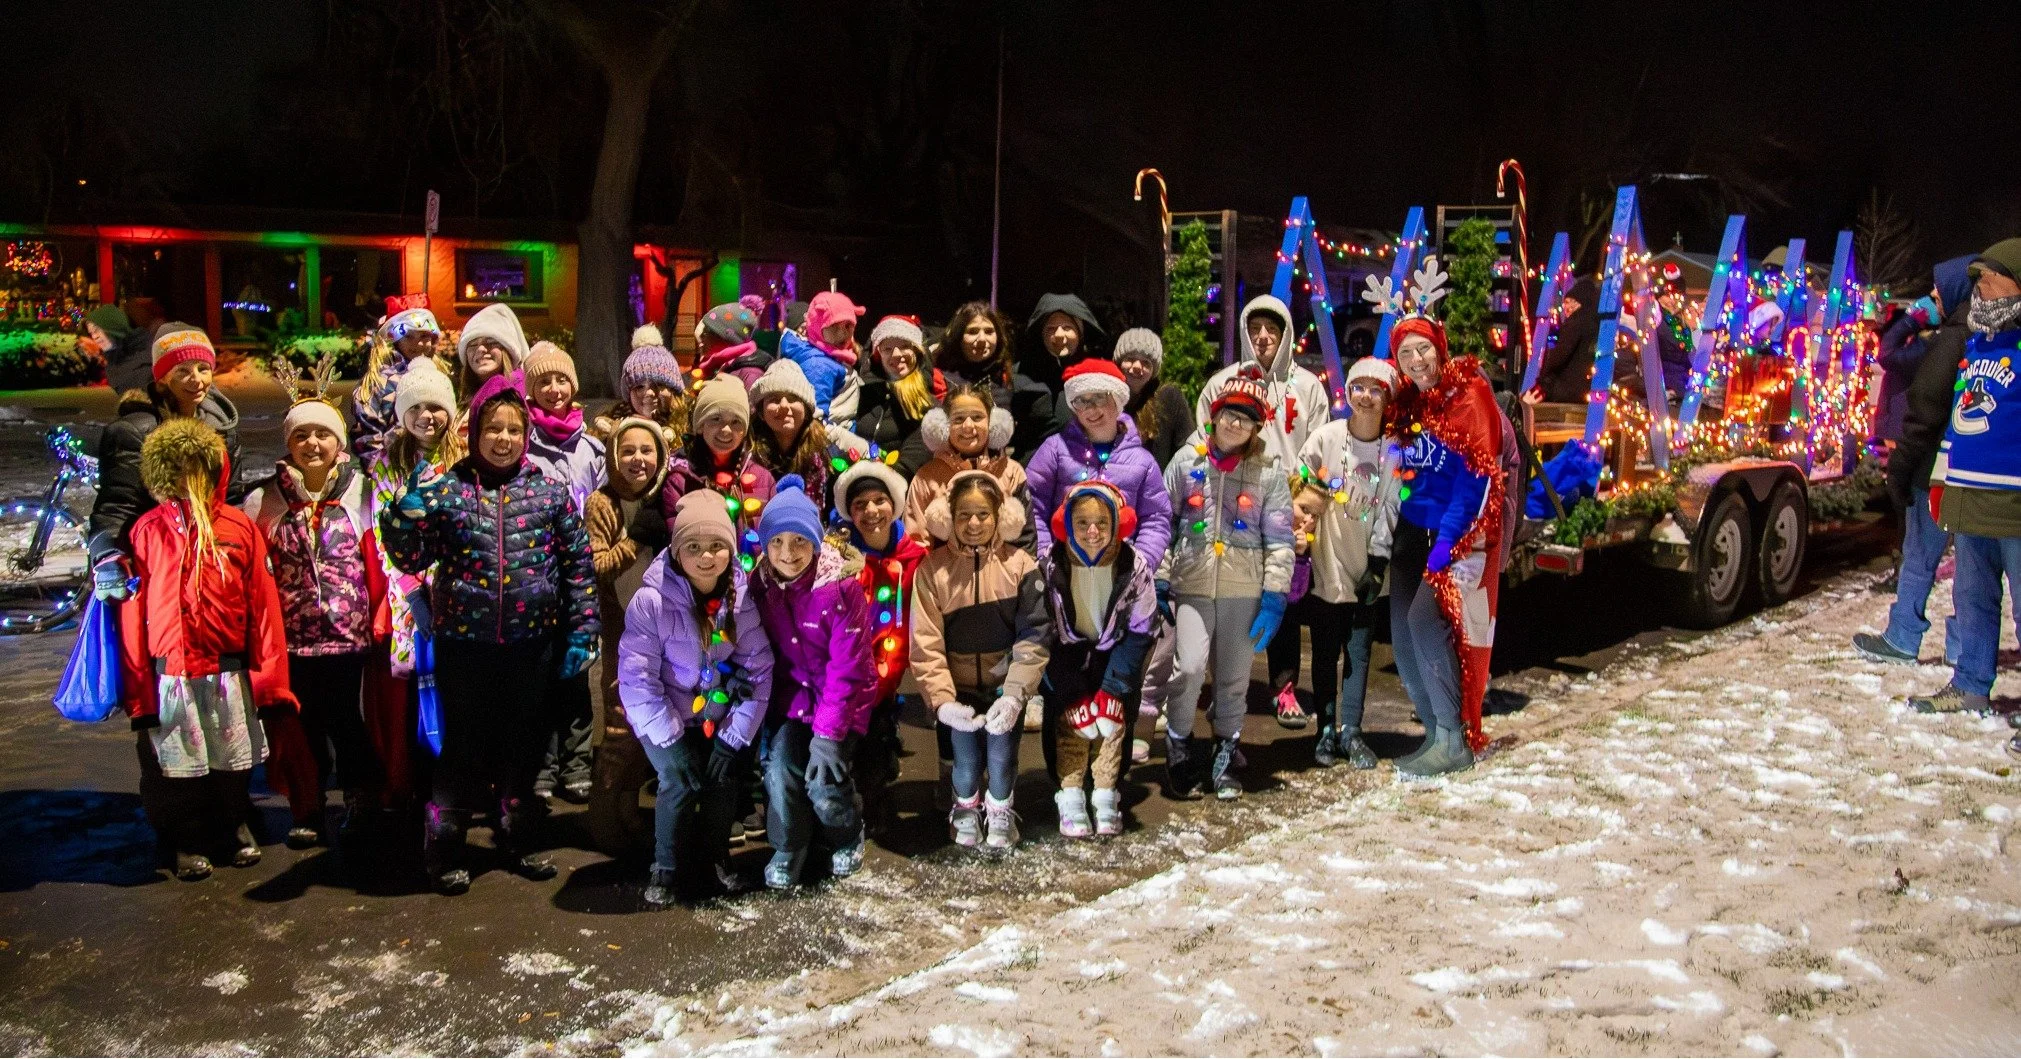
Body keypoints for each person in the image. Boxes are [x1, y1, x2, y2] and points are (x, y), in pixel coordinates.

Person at [380, 373, 598, 895]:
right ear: (474, 431)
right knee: (463, 749)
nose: (503, 439)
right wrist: (402, 517)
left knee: (524, 745)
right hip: (466, 645)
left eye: (514, 429)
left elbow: (577, 566)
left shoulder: (547, 492)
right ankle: (446, 847)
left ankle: (519, 838)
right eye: (493, 428)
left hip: (532, 644)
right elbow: (411, 557)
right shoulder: (450, 488)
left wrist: (582, 631)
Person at [119, 419, 297, 881]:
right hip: (170, 673)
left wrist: (270, 678)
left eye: (199, 467)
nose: (189, 479)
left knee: (228, 761)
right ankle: (182, 836)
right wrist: (138, 688)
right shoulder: (147, 531)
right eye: (177, 470)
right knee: (171, 770)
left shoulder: (238, 526)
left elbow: (262, 604)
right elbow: (134, 613)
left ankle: (230, 823)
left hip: (226, 668)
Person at [245, 385, 389, 847]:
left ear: (338, 443)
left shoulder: (363, 493)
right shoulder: (264, 501)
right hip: (293, 639)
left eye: (322, 434)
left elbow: (382, 558)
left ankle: (361, 798)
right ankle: (307, 808)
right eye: (301, 435)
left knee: (347, 719)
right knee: (303, 725)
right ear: (288, 444)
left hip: (349, 636)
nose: (312, 444)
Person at [617, 489, 773, 906]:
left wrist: (734, 734)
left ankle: (715, 860)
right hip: (664, 717)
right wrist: (668, 739)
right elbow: (637, 679)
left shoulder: (738, 599)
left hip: (717, 716)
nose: (707, 557)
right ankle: (665, 867)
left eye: (718, 546)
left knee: (723, 781)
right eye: (694, 547)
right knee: (679, 782)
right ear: (677, 552)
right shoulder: (651, 601)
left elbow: (759, 669)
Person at [1159, 375, 1295, 801]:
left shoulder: (1268, 473)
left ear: (1257, 428)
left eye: (1247, 420)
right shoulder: (1186, 463)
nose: (1236, 425)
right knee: (1190, 667)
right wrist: (1162, 577)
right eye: (1230, 416)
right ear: (1215, 416)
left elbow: (1279, 538)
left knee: (1235, 676)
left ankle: (1224, 749)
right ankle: (1179, 747)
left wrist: (1275, 595)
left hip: (1243, 587)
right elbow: (1164, 524)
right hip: (1194, 582)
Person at [1388, 314, 1507, 776]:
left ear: (1440, 347)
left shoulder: (1469, 397)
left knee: (1425, 620)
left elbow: (1477, 477)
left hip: (1459, 538)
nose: (1416, 361)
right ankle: (1437, 734)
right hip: (1415, 532)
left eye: (1423, 349)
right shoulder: (1414, 405)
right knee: (1403, 636)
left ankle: (1455, 740)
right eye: (1405, 353)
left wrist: (1450, 542)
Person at [911, 470, 1050, 850]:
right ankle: (965, 808)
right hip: (959, 693)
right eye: (963, 515)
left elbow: (1034, 634)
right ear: (948, 517)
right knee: (966, 761)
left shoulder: (1021, 565)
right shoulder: (932, 570)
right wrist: (942, 701)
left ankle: (1001, 809)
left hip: (1005, 687)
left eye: (984, 515)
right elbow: (926, 643)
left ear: (1001, 517)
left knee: (1003, 757)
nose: (974, 524)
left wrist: (1016, 693)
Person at [1912, 238, 2021, 718]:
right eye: (1980, 281)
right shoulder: (1976, 343)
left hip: (2015, 502)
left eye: (1995, 279)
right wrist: (1945, 484)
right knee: (1973, 597)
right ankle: (1971, 683)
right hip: (1970, 496)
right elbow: (1959, 419)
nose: (1984, 289)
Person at [751, 476, 878, 888]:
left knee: (824, 780)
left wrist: (827, 734)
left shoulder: (839, 589)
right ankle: (789, 845)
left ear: (816, 543)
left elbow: (849, 667)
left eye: (799, 542)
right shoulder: (762, 584)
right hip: (791, 701)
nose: (788, 554)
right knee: (781, 771)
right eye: (777, 543)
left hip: (839, 702)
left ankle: (846, 833)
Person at [360, 359, 463, 814]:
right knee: (417, 686)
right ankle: (418, 779)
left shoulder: (463, 458)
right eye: (416, 407)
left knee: (458, 682)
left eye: (436, 406)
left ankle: (461, 779)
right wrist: (413, 589)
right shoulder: (388, 465)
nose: (427, 416)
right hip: (411, 593)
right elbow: (385, 533)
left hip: (460, 586)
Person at [1290, 357, 1402, 768]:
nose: (1366, 397)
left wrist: (1378, 560)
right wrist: (1304, 521)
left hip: (1365, 567)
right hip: (1328, 563)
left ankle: (1352, 731)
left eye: (1376, 390)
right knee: (1323, 652)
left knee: (1358, 652)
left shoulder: (1393, 450)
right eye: (1359, 388)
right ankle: (1325, 728)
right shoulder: (1326, 438)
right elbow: (1299, 482)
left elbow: (1390, 506)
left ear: (1387, 398)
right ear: (1348, 392)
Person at [89, 325, 244, 602]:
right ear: (161, 379)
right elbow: (117, 504)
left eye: (202, 368)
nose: (195, 379)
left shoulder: (223, 427)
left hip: (211, 563)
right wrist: (108, 554)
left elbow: (232, 498)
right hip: (156, 562)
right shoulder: (134, 430)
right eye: (182, 371)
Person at [1038, 481, 1156, 838]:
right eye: (1082, 523)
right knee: (1069, 724)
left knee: (1111, 722)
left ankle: (1106, 793)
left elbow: (1141, 627)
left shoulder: (1133, 566)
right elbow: (1042, 629)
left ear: (1118, 524)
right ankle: (1070, 794)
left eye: (1102, 523)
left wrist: (1113, 689)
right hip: (1066, 656)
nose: (1092, 532)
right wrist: (1071, 692)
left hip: (1115, 652)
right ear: (1066, 525)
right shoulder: (1050, 566)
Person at [519, 341, 607, 805]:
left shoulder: (591, 449)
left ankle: (576, 761)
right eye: (543, 382)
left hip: (580, 575)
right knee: (540, 673)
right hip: (535, 576)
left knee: (576, 672)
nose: (554, 389)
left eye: (561, 380)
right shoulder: (523, 447)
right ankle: (543, 762)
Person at [582, 417, 671, 854]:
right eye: (629, 450)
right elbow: (595, 565)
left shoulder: (667, 496)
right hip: (622, 625)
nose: (639, 459)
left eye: (647, 450)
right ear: (614, 456)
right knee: (621, 719)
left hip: (666, 625)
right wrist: (634, 541)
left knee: (653, 719)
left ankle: (629, 804)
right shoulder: (602, 502)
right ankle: (603, 814)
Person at [830, 457, 928, 836]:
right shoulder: (840, 559)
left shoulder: (916, 556)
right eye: (860, 505)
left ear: (894, 504)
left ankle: (877, 802)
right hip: (849, 676)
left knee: (879, 743)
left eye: (878, 501)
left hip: (891, 676)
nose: (871, 511)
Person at [1025, 359, 1175, 569]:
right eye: (1081, 401)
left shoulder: (1142, 461)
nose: (1090, 409)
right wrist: (1044, 557)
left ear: (1117, 399)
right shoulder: (1055, 450)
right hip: (1064, 569)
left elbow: (1156, 518)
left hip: (1120, 571)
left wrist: (1141, 565)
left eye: (1099, 398)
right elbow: (1033, 505)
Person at [1194, 294, 1333, 464]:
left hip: (1290, 487)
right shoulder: (1222, 384)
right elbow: (1204, 438)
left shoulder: (1309, 387)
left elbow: (1318, 451)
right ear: (1245, 333)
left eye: (1271, 328)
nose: (1263, 336)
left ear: (1284, 335)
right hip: (1235, 485)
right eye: (1255, 328)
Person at [659, 375, 776, 561]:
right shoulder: (681, 479)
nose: (726, 430)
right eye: (716, 419)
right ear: (700, 425)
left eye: (736, 421)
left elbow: (773, 534)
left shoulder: (763, 478)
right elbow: (679, 542)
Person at [906, 384, 1034, 550]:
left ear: (993, 423)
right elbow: (917, 545)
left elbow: (1026, 542)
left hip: (1003, 573)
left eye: (977, 417)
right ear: (943, 427)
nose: (968, 426)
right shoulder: (926, 477)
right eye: (958, 419)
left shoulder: (1012, 472)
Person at [747, 358, 870, 518]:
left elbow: (873, 462)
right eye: (774, 399)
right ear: (762, 412)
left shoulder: (832, 439)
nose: (784, 406)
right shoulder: (748, 447)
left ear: (807, 408)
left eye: (793, 399)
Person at [349, 295, 443, 460]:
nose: (419, 344)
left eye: (424, 337)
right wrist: (380, 473)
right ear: (395, 340)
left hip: (435, 471)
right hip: (391, 472)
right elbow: (367, 433)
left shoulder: (439, 376)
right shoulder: (381, 381)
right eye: (409, 337)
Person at [1013, 293, 1106, 459]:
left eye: (1067, 327)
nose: (1059, 335)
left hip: (1082, 473)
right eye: (1050, 328)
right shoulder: (1020, 375)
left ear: (1080, 332)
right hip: (1032, 475)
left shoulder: (1097, 374)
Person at [852, 314, 944, 476]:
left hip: (900, 491)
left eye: (904, 346)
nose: (896, 354)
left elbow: (912, 461)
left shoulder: (928, 404)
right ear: (878, 354)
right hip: (857, 487)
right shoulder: (863, 393)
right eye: (887, 348)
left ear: (917, 350)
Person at [777, 289, 866, 426]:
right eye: (834, 326)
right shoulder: (819, 364)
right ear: (817, 326)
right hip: (829, 440)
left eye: (848, 325)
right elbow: (816, 419)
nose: (842, 332)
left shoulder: (831, 357)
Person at [592, 324, 689, 446]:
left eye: (658, 384)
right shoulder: (608, 438)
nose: (649, 392)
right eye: (639, 387)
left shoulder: (694, 431)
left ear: (673, 390)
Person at [1114, 327, 1194, 468]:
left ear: (1154, 370)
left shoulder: (1169, 397)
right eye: (1130, 359)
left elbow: (1187, 449)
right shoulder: (1107, 398)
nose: (1137, 366)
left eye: (1146, 362)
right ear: (1119, 362)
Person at [934, 301, 1018, 411]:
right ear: (958, 336)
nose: (982, 339)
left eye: (989, 331)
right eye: (973, 331)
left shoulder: (1007, 374)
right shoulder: (939, 376)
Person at [1536, 278, 1600, 404]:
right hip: (1586, 389)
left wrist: (1545, 371)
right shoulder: (1596, 324)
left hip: (1569, 388)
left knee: (1529, 398)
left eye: (1572, 302)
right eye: (1566, 303)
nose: (1567, 307)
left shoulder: (1576, 322)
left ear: (1582, 302)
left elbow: (1561, 354)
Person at [453, 303, 529, 405]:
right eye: (473, 344)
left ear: (507, 350)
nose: (480, 349)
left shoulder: (522, 397)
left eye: (490, 342)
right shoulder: (460, 396)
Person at [694, 301, 772, 391]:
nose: (701, 336)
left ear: (724, 337)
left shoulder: (750, 374)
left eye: (706, 332)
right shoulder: (720, 366)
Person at [86, 303, 153, 394]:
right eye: (91, 333)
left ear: (112, 326)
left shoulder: (143, 356)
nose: (94, 337)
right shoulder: (113, 358)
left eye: (96, 330)